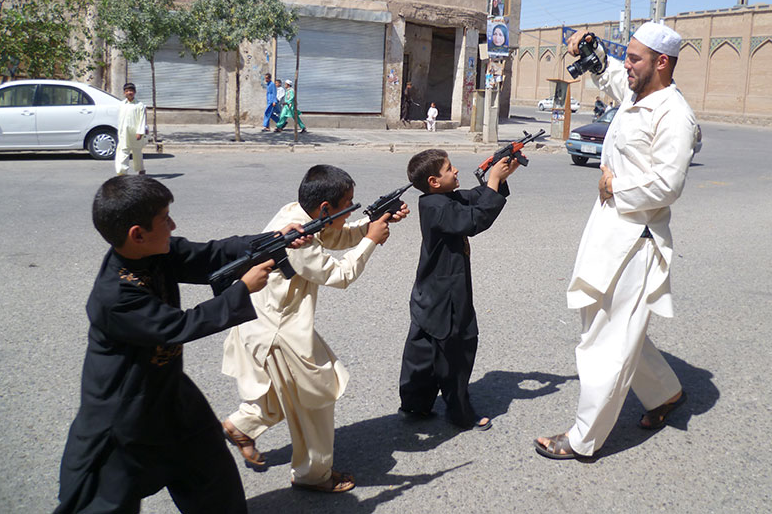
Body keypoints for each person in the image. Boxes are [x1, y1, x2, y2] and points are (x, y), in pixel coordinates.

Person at [53, 175, 310, 513]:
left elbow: (211, 255)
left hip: (172, 395)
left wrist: (272, 239)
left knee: (215, 485)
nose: (173, 225)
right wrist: (242, 290)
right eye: (165, 219)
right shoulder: (114, 296)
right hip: (125, 412)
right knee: (105, 503)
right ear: (137, 234)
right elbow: (180, 325)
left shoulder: (155, 252)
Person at [534, 22, 698, 461]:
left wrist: (614, 187)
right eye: (625, 56)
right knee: (611, 325)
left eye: (634, 58)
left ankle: (584, 438)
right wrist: (596, 54)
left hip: (636, 239)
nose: (627, 65)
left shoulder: (673, 114)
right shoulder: (636, 94)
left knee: (604, 339)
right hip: (609, 230)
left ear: (661, 63)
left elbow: (668, 185)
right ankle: (665, 393)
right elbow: (611, 79)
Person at [221, 165, 407, 493]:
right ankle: (314, 475)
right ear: (324, 208)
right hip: (278, 331)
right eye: (347, 203)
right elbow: (339, 275)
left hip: (261, 322)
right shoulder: (296, 240)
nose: (351, 208)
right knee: (317, 400)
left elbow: (335, 234)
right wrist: (371, 241)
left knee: (279, 392)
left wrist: (374, 222)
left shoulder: (295, 213)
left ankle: (241, 426)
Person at [399, 150, 518, 431]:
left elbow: (474, 198)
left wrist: (498, 178)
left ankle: (415, 405)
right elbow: (475, 220)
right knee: (457, 350)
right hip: (447, 295)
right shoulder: (438, 207)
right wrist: (493, 182)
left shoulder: (438, 200)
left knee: (423, 350)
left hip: (430, 292)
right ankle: (460, 413)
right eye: (449, 169)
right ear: (434, 181)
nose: (456, 171)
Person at [115, 82, 147, 175]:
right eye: (127, 91)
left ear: (135, 92)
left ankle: (140, 169)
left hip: (135, 132)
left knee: (137, 152)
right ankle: (122, 172)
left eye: (131, 91)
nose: (129, 93)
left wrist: (140, 132)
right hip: (124, 132)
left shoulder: (139, 105)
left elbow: (142, 119)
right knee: (123, 151)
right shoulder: (121, 104)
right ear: (124, 93)